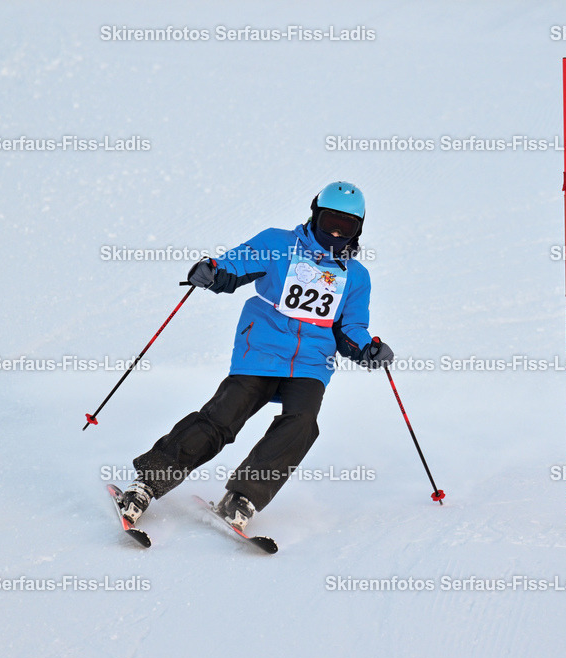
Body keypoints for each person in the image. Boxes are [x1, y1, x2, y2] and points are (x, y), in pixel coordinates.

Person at [115, 181, 394, 531]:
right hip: (261, 348)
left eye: (346, 227)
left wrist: (368, 348)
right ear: (315, 216)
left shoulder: (356, 276)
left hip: (311, 363)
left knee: (302, 423)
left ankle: (243, 497)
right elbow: (234, 263)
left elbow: (350, 327)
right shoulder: (277, 244)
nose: (336, 233)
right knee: (222, 418)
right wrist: (213, 270)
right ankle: (147, 483)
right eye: (330, 222)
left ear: (358, 229)